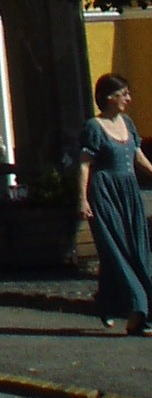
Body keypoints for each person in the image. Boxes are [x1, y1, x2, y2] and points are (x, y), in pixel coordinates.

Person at [80, 74, 152, 331]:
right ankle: (139, 312)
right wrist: (82, 199)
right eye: (124, 94)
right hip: (105, 193)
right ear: (110, 98)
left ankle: (107, 304)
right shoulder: (94, 127)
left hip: (129, 192)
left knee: (138, 251)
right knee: (116, 251)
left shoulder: (128, 123)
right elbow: (84, 165)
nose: (129, 99)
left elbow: (138, 157)